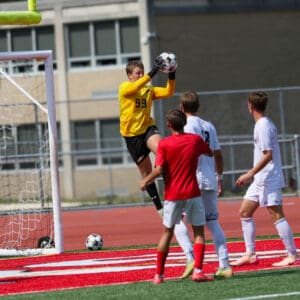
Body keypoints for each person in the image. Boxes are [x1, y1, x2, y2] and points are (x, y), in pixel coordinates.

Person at [140, 108, 214, 284]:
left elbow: (159, 169)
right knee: (198, 233)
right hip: (193, 193)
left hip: (173, 194)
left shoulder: (164, 144)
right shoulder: (195, 140)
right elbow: (209, 152)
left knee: (167, 232)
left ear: (168, 125)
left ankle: (159, 275)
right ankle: (197, 271)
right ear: (184, 123)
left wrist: (146, 181)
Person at [230, 91, 298, 267]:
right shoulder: (262, 124)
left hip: (269, 178)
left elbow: (268, 155)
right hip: (260, 179)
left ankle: (292, 255)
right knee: (244, 212)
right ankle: (250, 254)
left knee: (276, 215)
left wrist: (249, 173)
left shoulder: (263, 126)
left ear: (250, 106)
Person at [173, 91, 232, 279]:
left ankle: (190, 258)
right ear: (198, 106)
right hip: (209, 179)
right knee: (213, 222)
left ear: (181, 108)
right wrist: (219, 177)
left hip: (191, 180)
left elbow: (186, 152)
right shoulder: (209, 126)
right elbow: (218, 154)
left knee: (175, 220)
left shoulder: (186, 126)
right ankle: (225, 265)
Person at [118, 57, 175, 217]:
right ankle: (159, 207)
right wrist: (153, 72)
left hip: (147, 129)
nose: (141, 75)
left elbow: (168, 91)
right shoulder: (125, 88)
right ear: (129, 75)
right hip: (132, 136)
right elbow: (136, 86)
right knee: (146, 172)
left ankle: (174, 192)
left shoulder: (148, 90)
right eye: (137, 73)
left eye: (142, 72)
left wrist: (172, 73)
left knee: (163, 153)